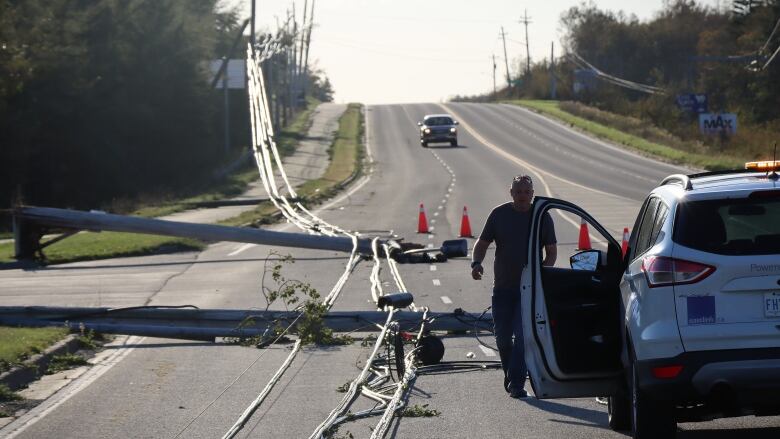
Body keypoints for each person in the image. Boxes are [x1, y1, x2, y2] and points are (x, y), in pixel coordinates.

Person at [471, 175, 557, 399]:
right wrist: (476, 263)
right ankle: (511, 374)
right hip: (502, 289)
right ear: (511, 193)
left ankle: (517, 384)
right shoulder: (499, 214)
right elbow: (481, 244)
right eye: (518, 192)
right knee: (502, 338)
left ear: (532, 194)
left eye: (526, 192)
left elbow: (552, 252)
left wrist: (541, 275)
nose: (522, 196)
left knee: (522, 336)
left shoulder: (542, 218)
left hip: (528, 291)